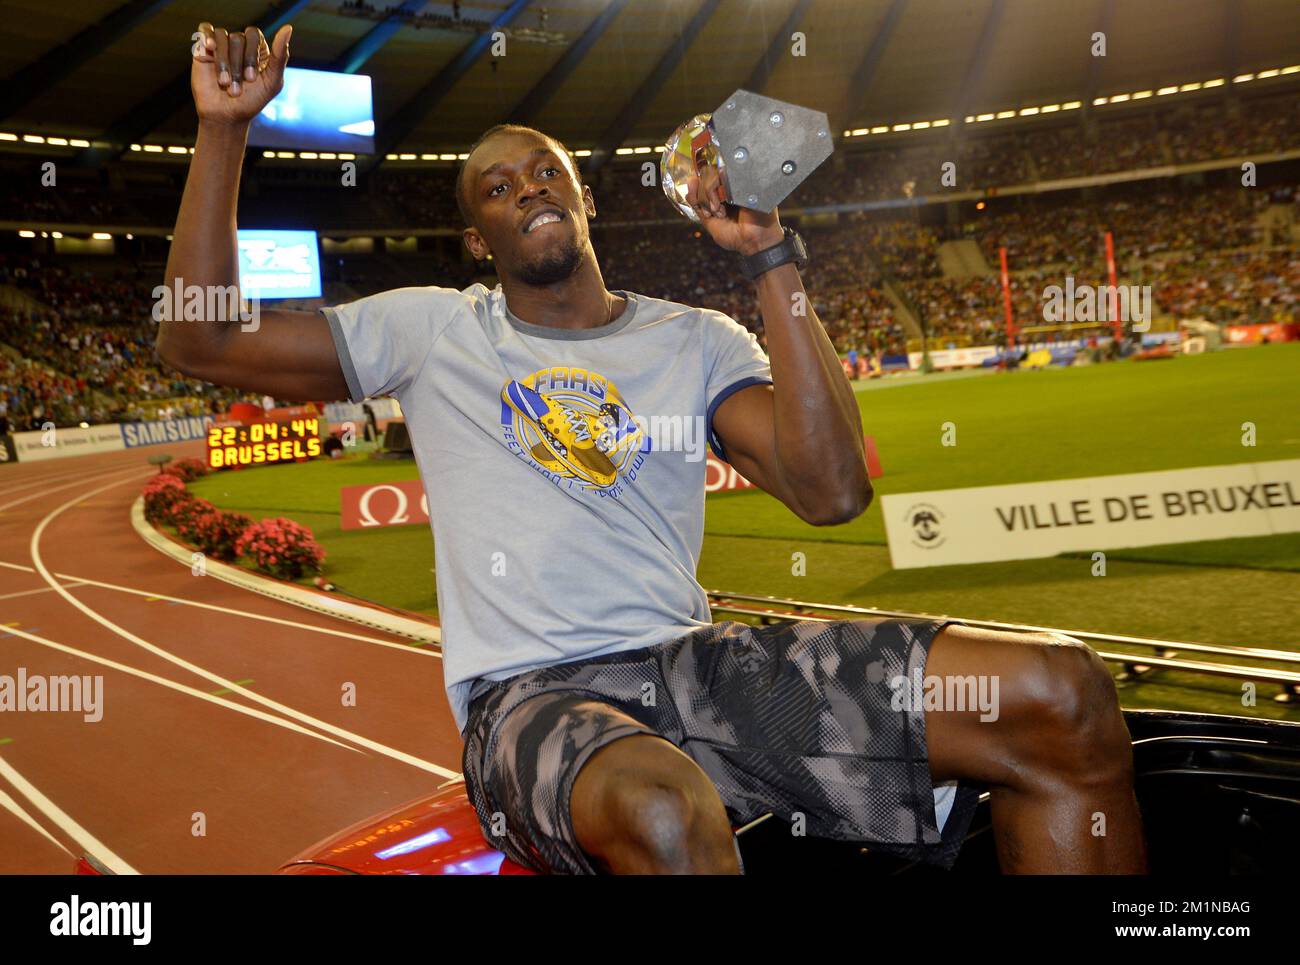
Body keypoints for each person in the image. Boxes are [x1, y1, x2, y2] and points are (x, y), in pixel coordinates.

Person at [157, 20, 1147, 875]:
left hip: (693, 665)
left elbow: (831, 489)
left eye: (547, 169)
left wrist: (769, 254)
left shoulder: (695, 339)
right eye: (497, 185)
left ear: (583, 196)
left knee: (1059, 691)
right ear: (477, 237)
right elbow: (198, 337)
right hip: (531, 696)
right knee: (664, 807)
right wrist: (222, 131)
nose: (528, 187)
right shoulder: (432, 328)